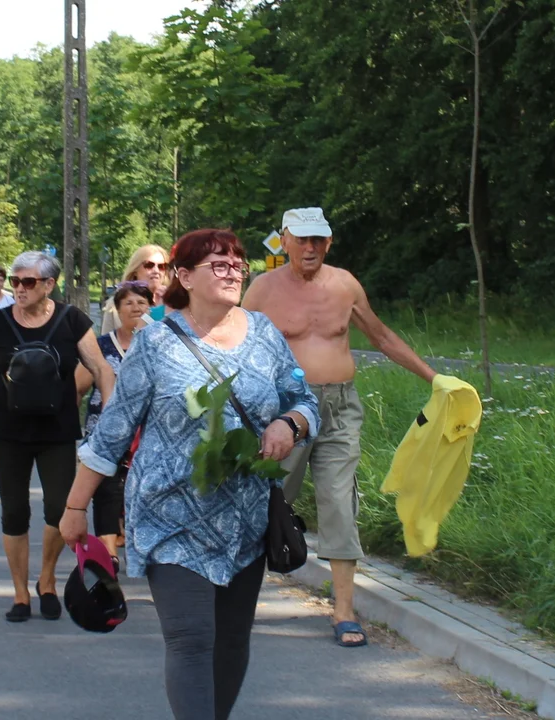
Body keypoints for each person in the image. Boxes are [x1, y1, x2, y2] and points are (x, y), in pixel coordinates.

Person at [61, 229, 320, 719]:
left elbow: (305, 401)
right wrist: (75, 508)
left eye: (238, 264)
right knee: (191, 639)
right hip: (169, 515)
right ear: (185, 277)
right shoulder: (155, 342)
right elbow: (112, 433)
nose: (232, 273)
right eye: (218, 265)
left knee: (231, 642)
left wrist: (291, 423)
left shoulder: (264, 334)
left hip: (245, 519)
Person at [242, 206, 437, 648]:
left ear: (329, 243)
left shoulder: (345, 284)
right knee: (266, 502)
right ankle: (240, 600)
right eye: (302, 239)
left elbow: (382, 336)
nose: (310, 248)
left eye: (319, 240)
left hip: (339, 407)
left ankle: (344, 612)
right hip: (284, 411)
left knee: (339, 502)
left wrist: (434, 379)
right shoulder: (262, 289)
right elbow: (235, 344)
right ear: (285, 239)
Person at [0, 251, 114, 623]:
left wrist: (110, 424)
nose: (19, 288)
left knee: (59, 510)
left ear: (49, 284)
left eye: (27, 282)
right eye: (15, 281)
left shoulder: (71, 320)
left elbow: (101, 368)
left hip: (57, 431)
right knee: (13, 513)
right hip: (10, 433)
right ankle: (20, 592)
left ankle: (46, 578)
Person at [74, 281, 153, 560]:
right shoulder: (101, 346)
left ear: (150, 308)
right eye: (128, 303)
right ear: (117, 310)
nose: (135, 308)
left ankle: (141, 546)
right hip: (104, 428)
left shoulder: (158, 343)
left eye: (142, 303)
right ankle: (108, 554)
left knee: (142, 490)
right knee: (106, 489)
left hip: (147, 433)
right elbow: (79, 386)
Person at [100, 244, 170, 333]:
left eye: (161, 267)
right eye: (149, 265)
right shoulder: (115, 303)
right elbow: (106, 341)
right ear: (135, 270)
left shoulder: (174, 303)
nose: (156, 271)